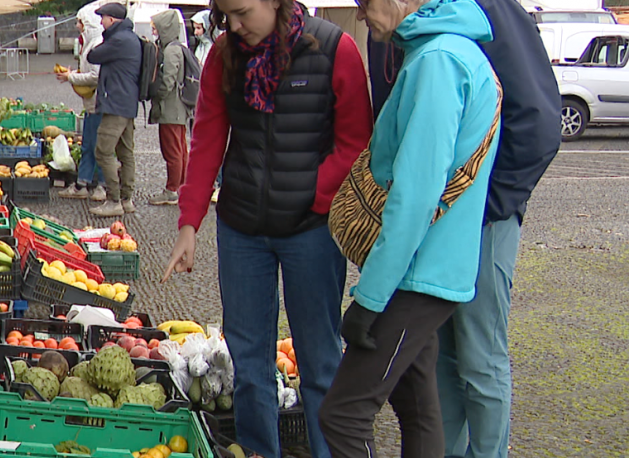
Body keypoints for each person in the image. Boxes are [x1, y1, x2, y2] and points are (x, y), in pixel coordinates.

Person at [161, 0, 373, 456]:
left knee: (319, 359)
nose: (235, 25)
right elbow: (208, 139)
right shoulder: (224, 55)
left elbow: (356, 141)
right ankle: (258, 450)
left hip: (312, 231)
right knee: (249, 361)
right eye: (227, 16)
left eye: (243, 12)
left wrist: (314, 193)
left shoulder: (335, 49)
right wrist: (189, 223)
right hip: (242, 230)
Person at [366, 1, 560, 455]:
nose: (361, 12)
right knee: (438, 356)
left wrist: (487, 205)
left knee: (479, 356)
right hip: (428, 218)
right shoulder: (390, 24)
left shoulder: (488, 8)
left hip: (484, 218)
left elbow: (538, 119)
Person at [317, 0, 504, 456]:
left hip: (416, 273)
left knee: (343, 415)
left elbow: (416, 193)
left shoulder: (439, 61)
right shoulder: (444, 52)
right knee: (417, 406)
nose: (362, 14)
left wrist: (370, 298)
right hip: (428, 268)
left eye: (365, 3)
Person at [86, 2, 142, 217]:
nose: (101, 22)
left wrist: (100, 39)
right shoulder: (131, 38)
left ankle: (114, 200)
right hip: (128, 103)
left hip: (115, 104)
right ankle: (127, 199)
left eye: (103, 18)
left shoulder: (119, 40)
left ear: (111, 19)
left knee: (103, 150)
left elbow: (93, 56)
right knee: (125, 152)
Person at [57, 2, 107, 202]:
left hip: (98, 104)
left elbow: (95, 76)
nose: (77, 25)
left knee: (99, 146)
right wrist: (74, 74)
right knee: (88, 145)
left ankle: (102, 185)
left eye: (80, 22)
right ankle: (82, 183)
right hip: (91, 104)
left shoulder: (97, 45)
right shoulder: (90, 42)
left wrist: (71, 77)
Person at [148, 9, 194, 206]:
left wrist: (156, 94)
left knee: (172, 151)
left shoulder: (171, 50)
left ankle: (172, 190)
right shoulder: (177, 47)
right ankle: (180, 187)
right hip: (177, 109)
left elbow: (168, 81)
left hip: (171, 108)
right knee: (180, 149)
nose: (154, 31)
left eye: (155, 28)